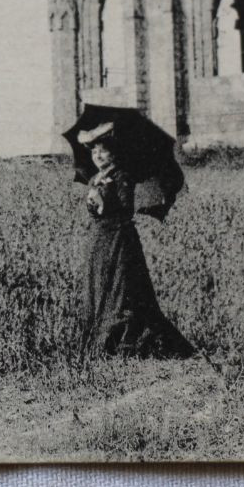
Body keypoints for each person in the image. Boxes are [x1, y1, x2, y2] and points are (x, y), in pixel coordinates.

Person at [78, 124, 196, 360]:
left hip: (119, 240)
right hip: (99, 239)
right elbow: (95, 213)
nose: (98, 156)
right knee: (101, 286)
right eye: (94, 152)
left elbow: (124, 209)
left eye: (103, 151)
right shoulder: (95, 178)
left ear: (114, 153)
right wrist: (94, 204)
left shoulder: (122, 176)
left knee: (124, 289)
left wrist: (101, 201)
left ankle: (128, 343)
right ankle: (103, 342)